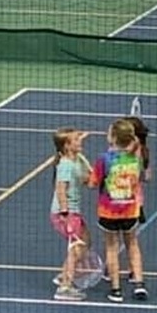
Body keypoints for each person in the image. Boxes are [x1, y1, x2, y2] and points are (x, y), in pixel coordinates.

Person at [88, 118, 148, 302]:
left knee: (111, 248)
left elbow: (92, 184)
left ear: (113, 138)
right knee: (133, 245)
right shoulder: (136, 159)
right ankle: (139, 284)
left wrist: (88, 176)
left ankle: (116, 290)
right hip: (130, 210)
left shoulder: (103, 159)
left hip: (109, 212)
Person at [49, 127, 91, 302]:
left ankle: (64, 274)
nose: (79, 141)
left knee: (86, 241)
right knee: (76, 247)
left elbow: (87, 180)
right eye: (76, 139)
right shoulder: (65, 165)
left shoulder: (76, 159)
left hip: (73, 212)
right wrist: (65, 214)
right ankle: (65, 287)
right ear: (67, 146)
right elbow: (60, 190)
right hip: (65, 213)